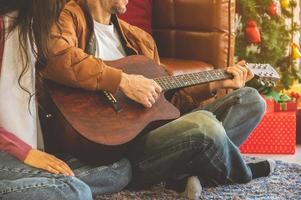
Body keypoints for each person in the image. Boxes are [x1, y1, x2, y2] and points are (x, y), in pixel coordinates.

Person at [42, 0, 275, 199]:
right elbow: (55, 57)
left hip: (160, 134)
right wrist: (122, 81)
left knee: (250, 100)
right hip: (128, 154)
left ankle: (185, 174)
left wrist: (216, 84)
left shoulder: (139, 39)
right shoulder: (67, 17)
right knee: (205, 125)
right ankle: (241, 173)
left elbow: (171, 105)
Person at [0, 0, 131, 199]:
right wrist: (24, 152)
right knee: (74, 192)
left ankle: (37, 185)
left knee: (118, 170)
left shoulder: (33, 27)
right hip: (7, 148)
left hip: (21, 148)